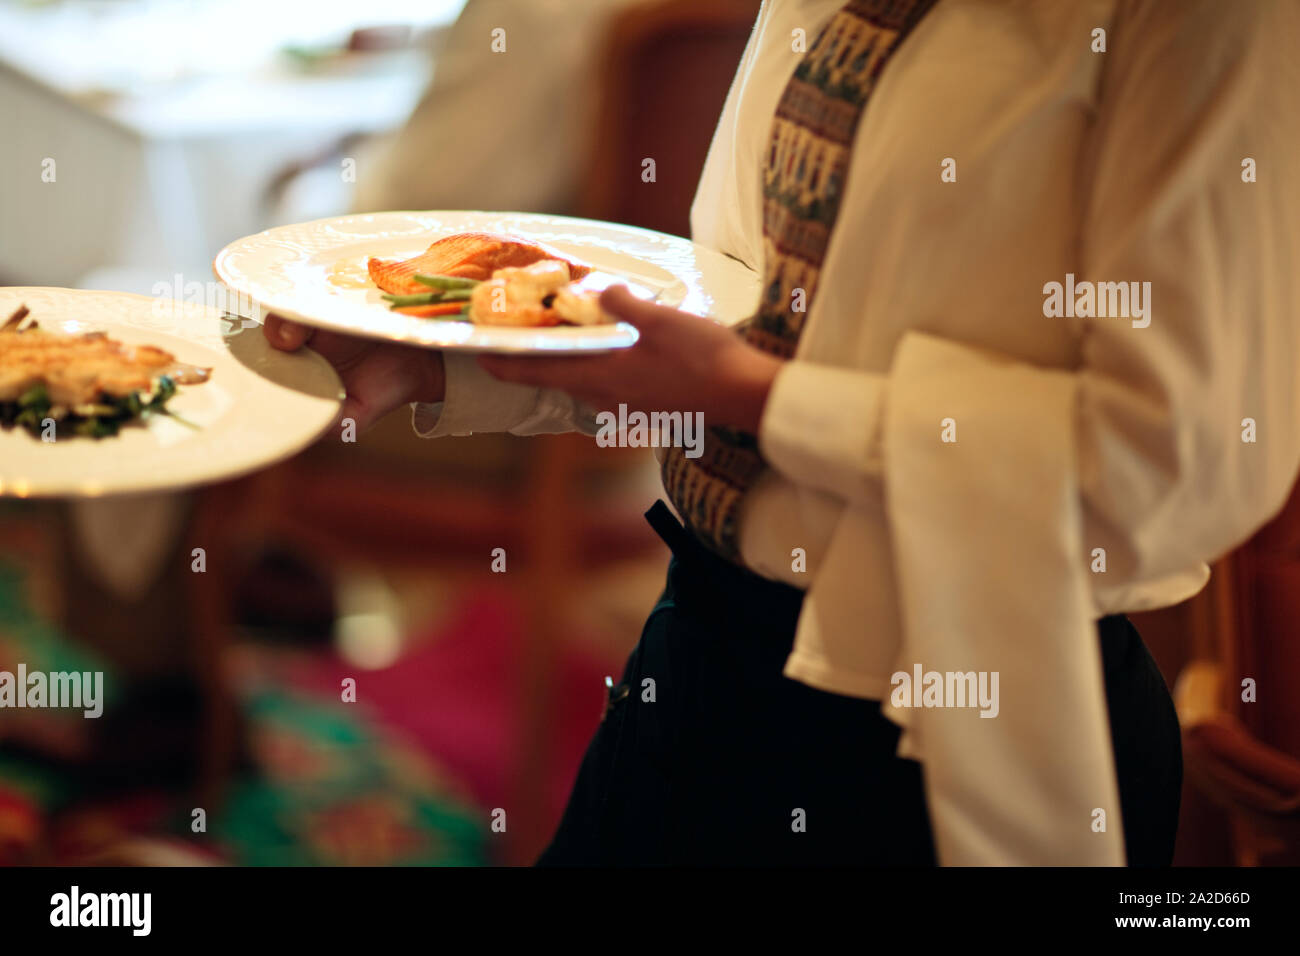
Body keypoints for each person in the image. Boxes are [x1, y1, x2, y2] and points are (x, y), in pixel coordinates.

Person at [265, 0, 1300, 865]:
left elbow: (1181, 463)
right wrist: (434, 358)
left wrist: (765, 396)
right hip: (700, 650)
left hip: (943, 715)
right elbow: (734, 324)